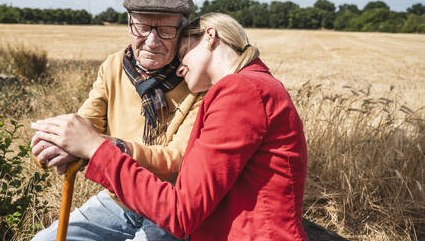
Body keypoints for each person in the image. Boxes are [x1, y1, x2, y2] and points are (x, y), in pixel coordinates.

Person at [32, 12, 309, 240]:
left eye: (183, 54)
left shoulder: (242, 90)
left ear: (210, 37)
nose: (179, 68)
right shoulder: (251, 85)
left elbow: (180, 212)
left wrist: (97, 147)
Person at [31, 0, 204, 241]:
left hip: (171, 205)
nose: (152, 41)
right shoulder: (115, 65)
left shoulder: (198, 78)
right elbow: (87, 120)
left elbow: (175, 162)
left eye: (166, 31)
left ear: (182, 32)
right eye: (142, 28)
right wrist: (58, 139)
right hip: (120, 200)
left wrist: (101, 146)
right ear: (129, 25)